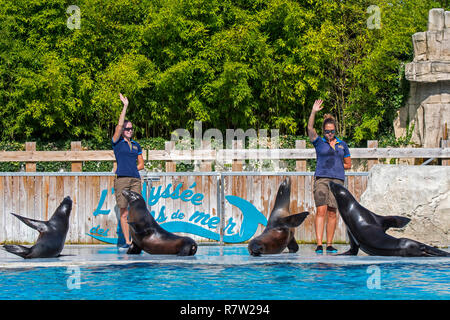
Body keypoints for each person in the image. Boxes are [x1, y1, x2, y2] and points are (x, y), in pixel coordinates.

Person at [307, 99, 352, 254]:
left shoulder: (342, 144)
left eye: (332, 131)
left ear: (335, 130)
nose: (329, 133)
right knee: (321, 210)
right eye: (327, 131)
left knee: (333, 212)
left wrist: (338, 164)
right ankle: (319, 244)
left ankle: (330, 244)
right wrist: (313, 112)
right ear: (323, 130)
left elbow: (348, 164)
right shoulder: (319, 142)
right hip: (322, 179)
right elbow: (309, 127)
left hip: (337, 180)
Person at [112, 93, 145, 249]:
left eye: (131, 129)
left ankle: (138, 240)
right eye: (127, 129)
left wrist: (133, 169)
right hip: (122, 180)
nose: (130, 131)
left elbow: (141, 164)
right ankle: (128, 242)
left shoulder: (136, 145)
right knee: (124, 212)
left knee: (136, 211)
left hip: (135, 179)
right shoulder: (117, 143)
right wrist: (125, 106)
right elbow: (118, 126)